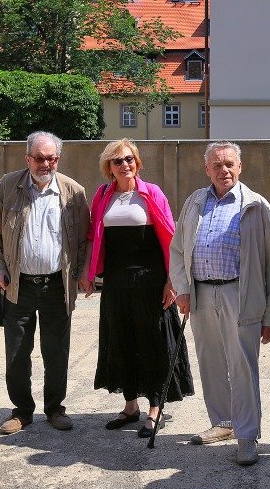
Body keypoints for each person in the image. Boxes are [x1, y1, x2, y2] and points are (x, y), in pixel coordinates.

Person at [170, 141, 270, 466]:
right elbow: (178, 249)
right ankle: (223, 423)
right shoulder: (195, 202)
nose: (224, 170)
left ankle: (247, 436)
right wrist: (182, 288)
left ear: (240, 166)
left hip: (240, 295)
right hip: (201, 294)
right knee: (210, 362)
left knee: (243, 366)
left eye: (230, 164)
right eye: (217, 165)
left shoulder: (256, 206)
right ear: (207, 169)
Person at [81, 138, 193, 439]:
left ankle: (155, 407)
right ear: (109, 167)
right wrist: (88, 273)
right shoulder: (103, 195)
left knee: (152, 341)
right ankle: (130, 406)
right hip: (116, 280)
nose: (125, 165)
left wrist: (172, 280)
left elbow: (172, 238)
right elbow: (94, 236)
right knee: (122, 339)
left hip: (151, 278)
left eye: (130, 159)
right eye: (118, 161)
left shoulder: (151, 193)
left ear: (137, 162)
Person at [0, 131, 89, 435]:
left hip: (57, 286)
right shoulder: (8, 186)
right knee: (16, 352)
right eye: (39, 158)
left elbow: (84, 240)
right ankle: (22, 411)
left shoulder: (73, 192)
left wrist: (80, 273)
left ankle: (55, 408)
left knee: (56, 351)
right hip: (19, 284)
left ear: (58, 158)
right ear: (27, 158)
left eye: (51, 158)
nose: (46, 163)